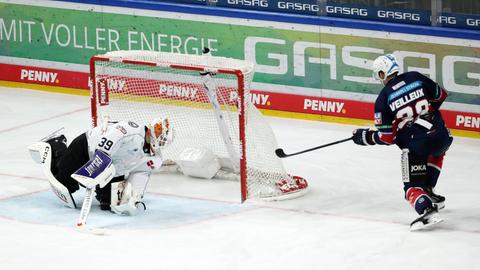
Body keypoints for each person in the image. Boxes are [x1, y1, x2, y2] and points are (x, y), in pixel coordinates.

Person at [352, 54, 453, 231]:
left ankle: (427, 209)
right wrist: (425, 115)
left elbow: (387, 138)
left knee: (411, 188)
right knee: (437, 150)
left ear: (383, 74)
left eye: (379, 74)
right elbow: (441, 95)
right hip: (442, 135)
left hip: (417, 145)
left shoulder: (383, 99)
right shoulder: (415, 77)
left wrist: (366, 137)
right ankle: (428, 190)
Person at [28, 117, 172, 215]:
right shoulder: (131, 130)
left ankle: (103, 187)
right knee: (65, 185)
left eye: (163, 139)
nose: (160, 139)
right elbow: (106, 144)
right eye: (160, 133)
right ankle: (56, 146)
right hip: (87, 148)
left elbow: (140, 174)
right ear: (153, 127)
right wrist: (97, 167)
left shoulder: (155, 159)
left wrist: (135, 197)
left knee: (109, 205)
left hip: (113, 171)